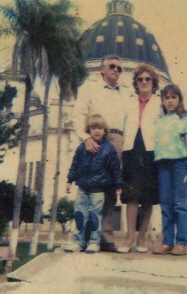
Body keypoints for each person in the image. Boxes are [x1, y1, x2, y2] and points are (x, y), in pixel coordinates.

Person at [72, 54, 126, 252]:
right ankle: (84, 238)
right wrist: (85, 138)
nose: (116, 71)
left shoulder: (124, 92)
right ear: (102, 69)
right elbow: (78, 114)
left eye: (119, 69)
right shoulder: (90, 87)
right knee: (89, 186)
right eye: (112, 66)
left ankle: (106, 237)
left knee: (110, 189)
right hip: (96, 138)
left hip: (118, 139)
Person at [117, 64, 162, 253]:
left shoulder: (160, 103)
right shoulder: (128, 102)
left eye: (148, 79)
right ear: (136, 83)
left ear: (153, 83)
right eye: (140, 79)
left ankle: (142, 239)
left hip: (152, 152)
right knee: (132, 196)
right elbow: (122, 125)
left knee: (148, 198)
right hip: (131, 150)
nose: (144, 82)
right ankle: (129, 239)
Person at [153, 84, 187, 256]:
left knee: (179, 204)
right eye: (166, 98)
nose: (170, 101)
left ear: (179, 99)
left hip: (180, 164)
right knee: (165, 204)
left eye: (173, 97)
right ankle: (167, 242)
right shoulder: (160, 121)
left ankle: (181, 242)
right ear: (163, 101)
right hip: (162, 165)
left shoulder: (186, 119)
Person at [64, 114, 122, 253]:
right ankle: (79, 242)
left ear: (105, 130)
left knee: (95, 216)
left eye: (100, 128)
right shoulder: (81, 148)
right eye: (94, 128)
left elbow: (115, 168)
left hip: (98, 190)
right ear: (88, 130)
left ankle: (94, 242)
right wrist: (69, 180)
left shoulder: (109, 148)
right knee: (80, 215)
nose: (97, 131)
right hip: (82, 188)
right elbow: (75, 165)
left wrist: (118, 185)